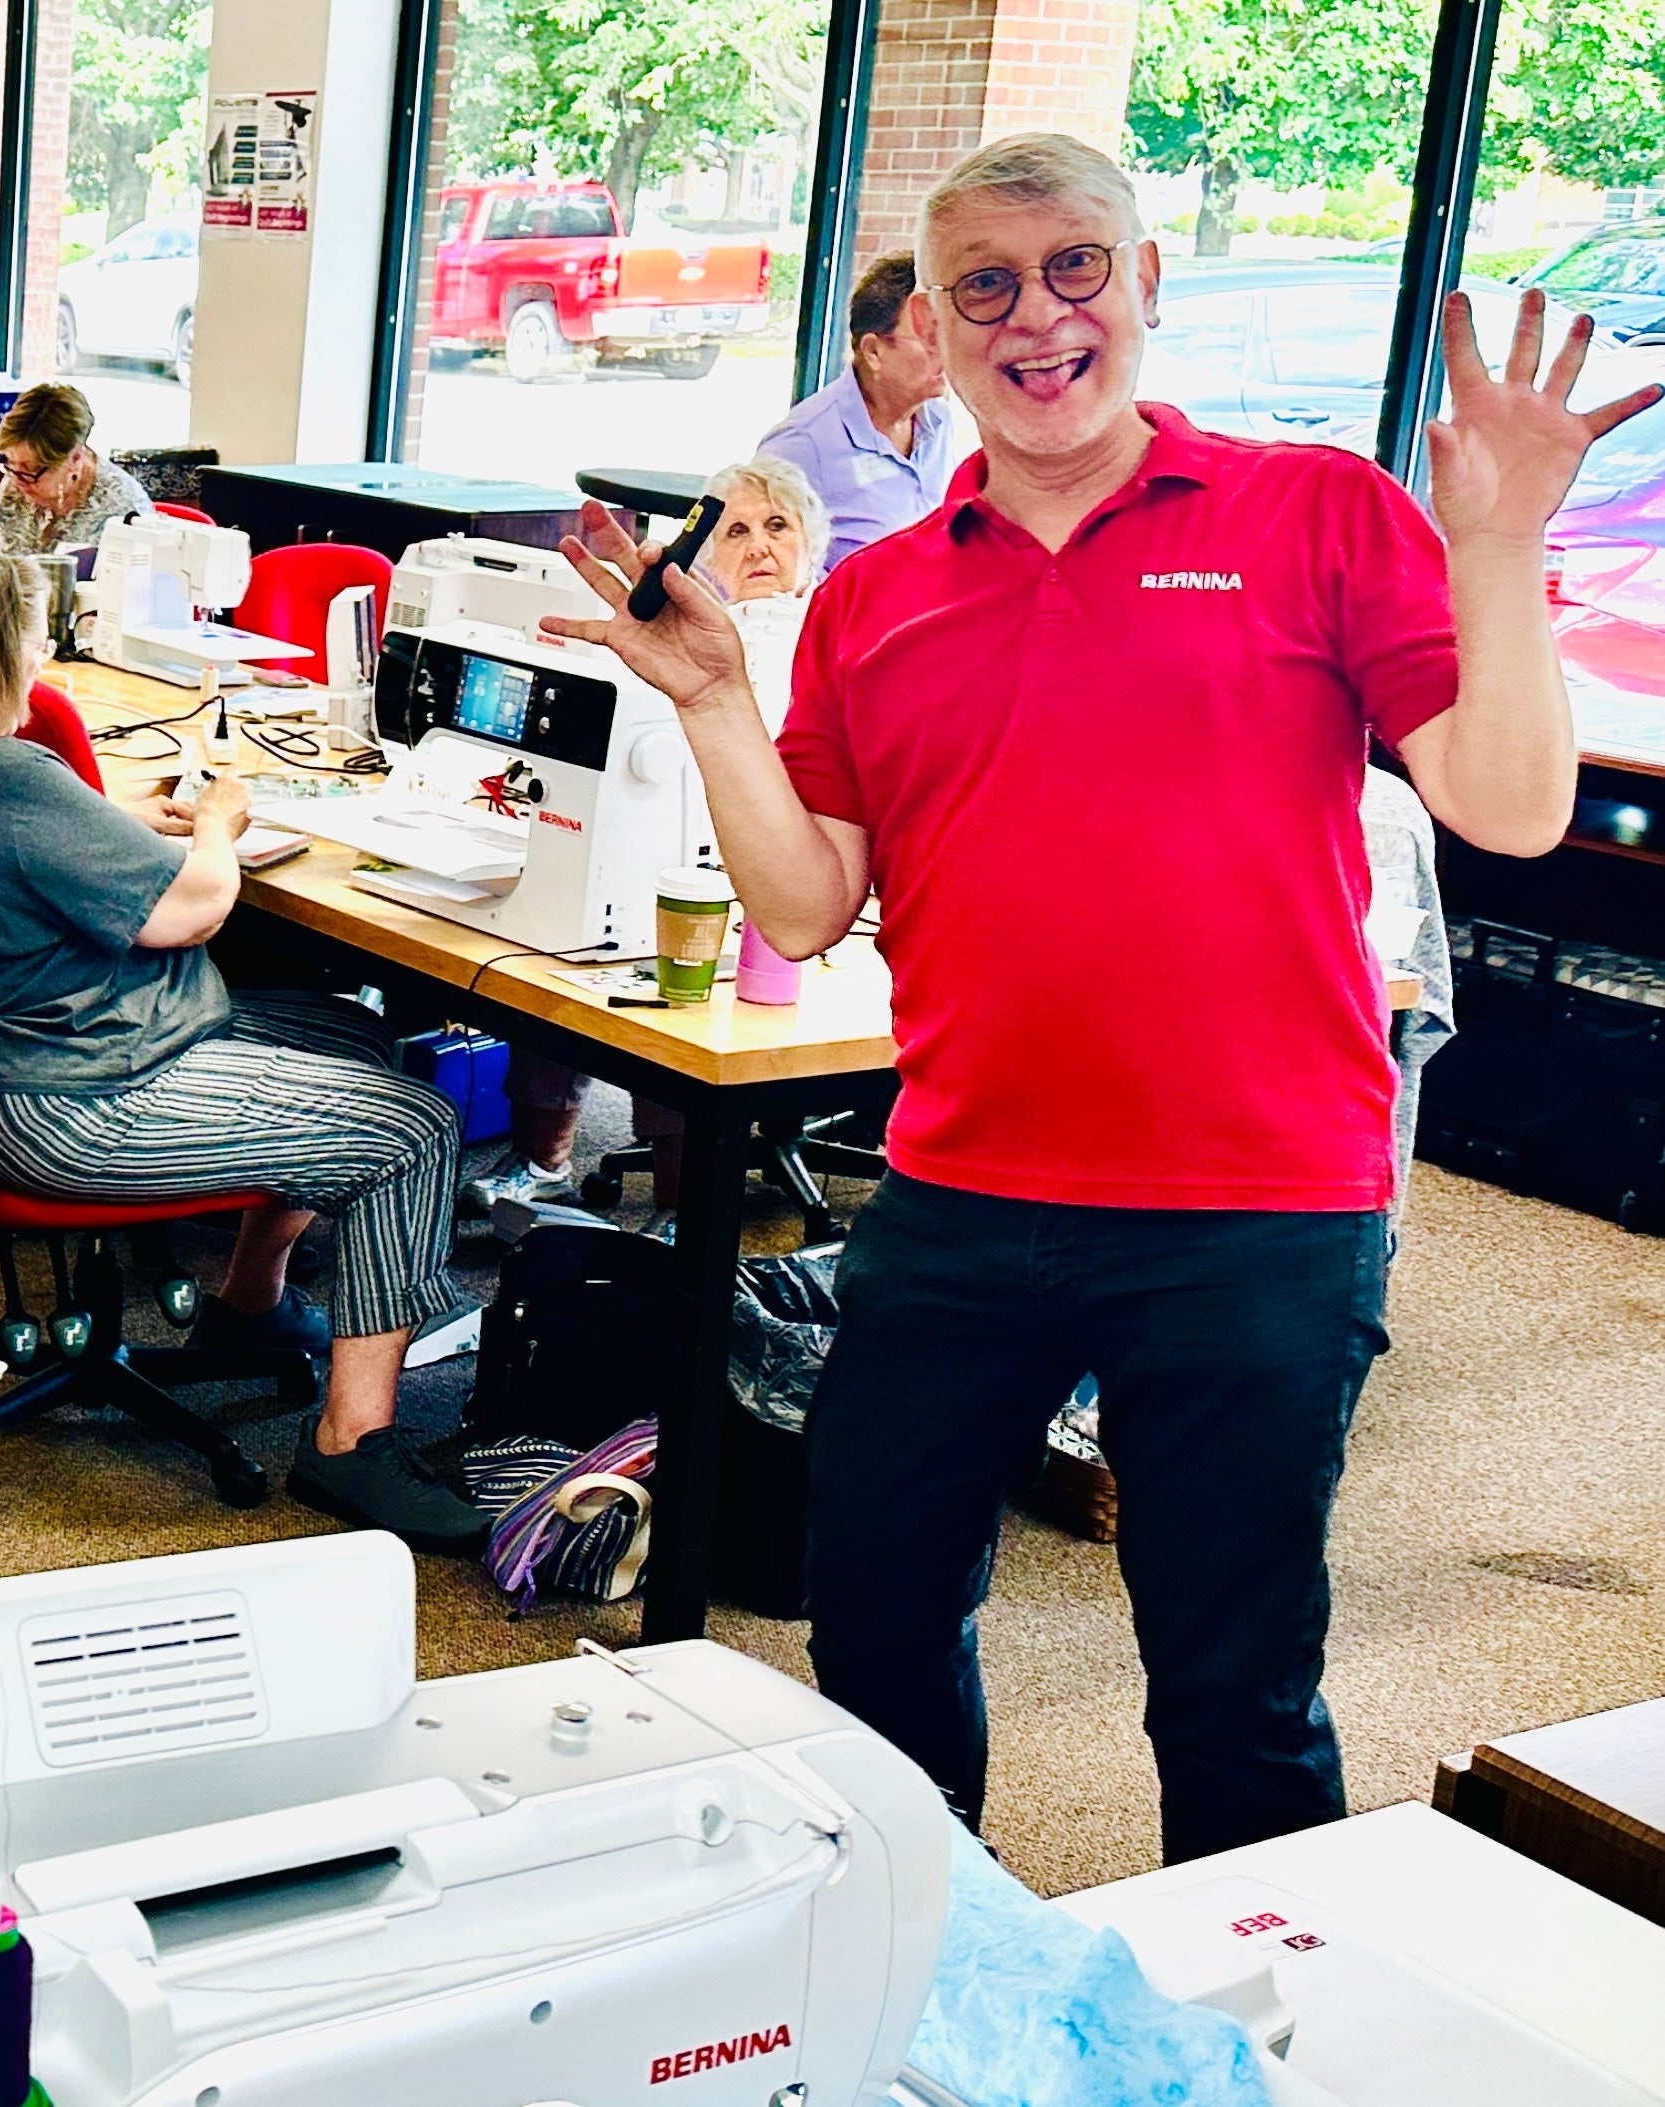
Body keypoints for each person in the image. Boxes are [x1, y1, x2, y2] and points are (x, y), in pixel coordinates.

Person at [546, 132, 1661, 1861]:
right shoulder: (873, 598)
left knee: (1231, 1686)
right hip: (958, 1195)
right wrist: (708, 704)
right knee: (876, 1636)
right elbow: (807, 898)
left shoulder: (1311, 515)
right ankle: (936, 1975)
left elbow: (1508, 806)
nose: (1035, 316)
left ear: (1144, 285)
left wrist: (1497, 542)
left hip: (1254, 1209)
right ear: (930, 324)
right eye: (983, 285)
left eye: (1076, 267)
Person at [0, 546, 484, 1549]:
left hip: (23, 1062)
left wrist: (110, 822)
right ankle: (350, 1444)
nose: (41, 660)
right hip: (78, 1096)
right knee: (414, 1129)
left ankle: (250, 1301)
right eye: (33, 643)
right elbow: (196, 908)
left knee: (357, 1035)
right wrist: (216, 821)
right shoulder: (1, 774)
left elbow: (2, 846)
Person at [462, 456, 827, 1226]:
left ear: (812, 544)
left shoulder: (830, 640)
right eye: (735, 531)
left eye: (778, 526)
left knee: (676, 995)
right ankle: (542, 1162)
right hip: (658, 846)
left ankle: (677, 1212)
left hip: (776, 880)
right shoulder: (676, 637)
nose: (760, 545)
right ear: (703, 561)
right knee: (551, 959)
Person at [755, 251, 958, 572]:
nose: (946, 349)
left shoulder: (937, 418)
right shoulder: (801, 443)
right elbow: (747, 564)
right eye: (928, 338)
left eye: (947, 333)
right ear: (873, 351)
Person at [0, 383, 153, 555]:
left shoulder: (122, 510)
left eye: (31, 469)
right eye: (10, 462)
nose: (15, 481)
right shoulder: (19, 476)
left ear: (75, 458)